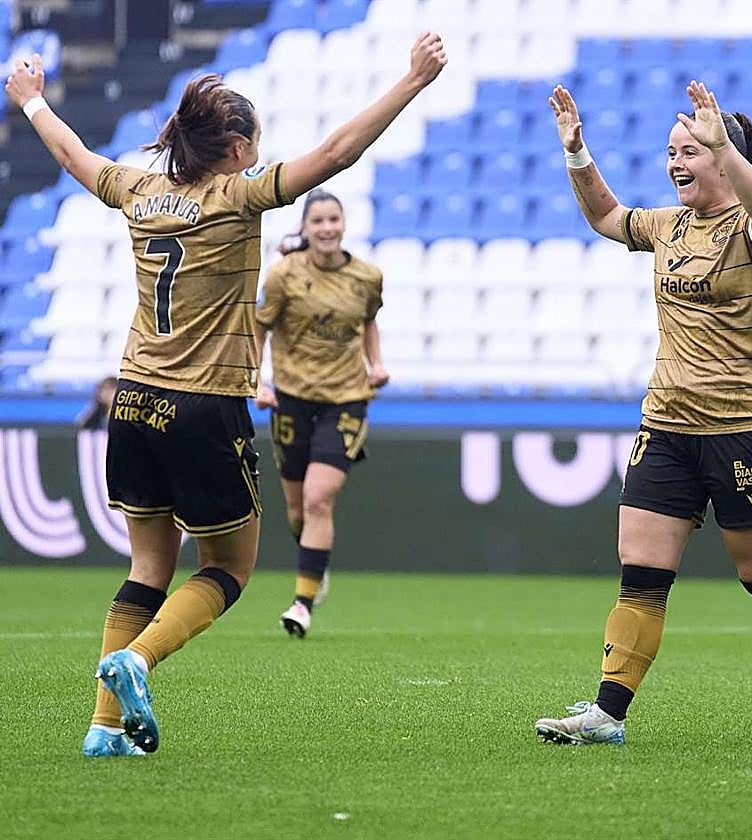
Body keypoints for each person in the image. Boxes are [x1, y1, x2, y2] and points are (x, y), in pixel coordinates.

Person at [4, 33, 445, 757]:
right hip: (203, 404)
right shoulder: (236, 198)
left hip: (134, 399)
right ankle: (138, 660)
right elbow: (336, 154)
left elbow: (71, 157)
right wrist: (412, 82)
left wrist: (32, 100)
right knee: (228, 569)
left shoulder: (138, 191)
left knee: (147, 566)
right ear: (237, 149)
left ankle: (103, 729)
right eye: (258, 141)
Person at [534, 81, 752, 746]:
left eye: (689, 152)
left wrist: (725, 145)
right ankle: (608, 714)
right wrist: (578, 154)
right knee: (641, 573)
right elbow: (607, 217)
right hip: (667, 426)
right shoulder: (668, 226)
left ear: (723, 159)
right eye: (670, 152)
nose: (674, 163)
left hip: (747, 428)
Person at [252, 189, 388, 639]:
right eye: (319, 221)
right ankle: (316, 564)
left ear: (344, 224)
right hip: (291, 398)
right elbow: (260, 326)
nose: (327, 228)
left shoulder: (367, 277)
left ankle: (302, 603)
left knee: (317, 497)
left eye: (334, 219)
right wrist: (258, 379)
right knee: (296, 507)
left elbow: (368, 321)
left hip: (346, 398)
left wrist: (376, 364)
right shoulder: (282, 275)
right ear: (306, 228)